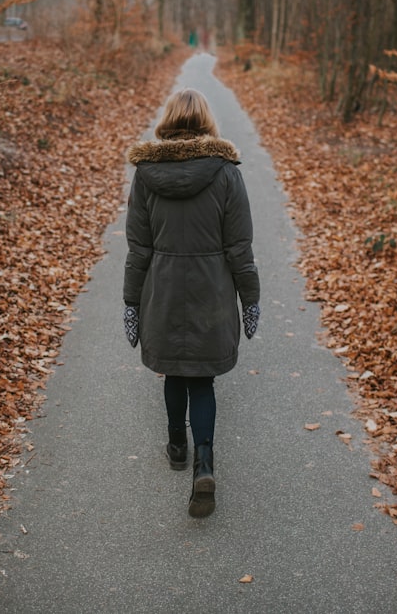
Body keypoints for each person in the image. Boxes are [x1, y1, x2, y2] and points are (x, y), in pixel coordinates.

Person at [122, 88, 261, 518]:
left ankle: (176, 446)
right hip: (212, 292)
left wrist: (131, 302)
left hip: (161, 292)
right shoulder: (226, 173)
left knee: (173, 373)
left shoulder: (146, 174)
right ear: (206, 122)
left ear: (168, 121)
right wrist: (250, 299)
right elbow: (239, 246)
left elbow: (138, 248)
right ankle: (204, 464)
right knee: (202, 379)